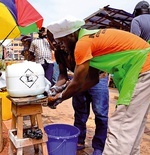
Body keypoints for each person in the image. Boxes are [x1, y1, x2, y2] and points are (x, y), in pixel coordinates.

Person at [46, 17, 150, 155]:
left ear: (71, 35)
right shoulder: (89, 38)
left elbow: (77, 83)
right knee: (132, 125)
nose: (61, 45)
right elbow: (92, 79)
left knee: (121, 125)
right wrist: (63, 91)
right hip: (144, 67)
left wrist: (60, 97)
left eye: (62, 41)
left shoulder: (82, 44)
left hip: (141, 68)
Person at [48, 23, 109, 154]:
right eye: (53, 42)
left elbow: (92, 78)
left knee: (101, 114)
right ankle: (79, 140)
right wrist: (54, 89)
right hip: (77, 81)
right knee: (80, 113)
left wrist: (60, 97)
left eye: (58, 40)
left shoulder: (80, 45)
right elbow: (63, 75)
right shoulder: (59, 52)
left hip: (98, 79)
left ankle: (99, 147)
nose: (56, 44)